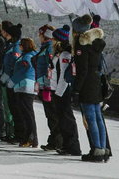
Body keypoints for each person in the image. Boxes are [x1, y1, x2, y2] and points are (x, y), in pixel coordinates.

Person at [72, 16, 109, 162]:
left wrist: (76, 89)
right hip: (96, 83)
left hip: (87, 84)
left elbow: (82, 70)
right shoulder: (96, 45)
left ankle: (97, 150)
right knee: (98, 117)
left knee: (91, 118)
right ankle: (103, 148)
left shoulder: (82, 46)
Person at [49, 27, 81, 156]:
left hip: (63, 91)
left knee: (67, 118)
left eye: (54, 39)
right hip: (58, 90)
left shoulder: (65, 54)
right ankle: (66, 144)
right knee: (62, 119)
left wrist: (58, 92)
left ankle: (73, 146)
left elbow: (64, 76)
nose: (52, 41)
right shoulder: (60, 53)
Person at [11, 37, 39, 148]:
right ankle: (30, 137)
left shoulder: (27, 57)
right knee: (26, 113)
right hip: (24, 85)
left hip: (25, 85)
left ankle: (30, 137)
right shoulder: (28, 55)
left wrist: (12, 80)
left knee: (27, 113)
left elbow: (23, 71)